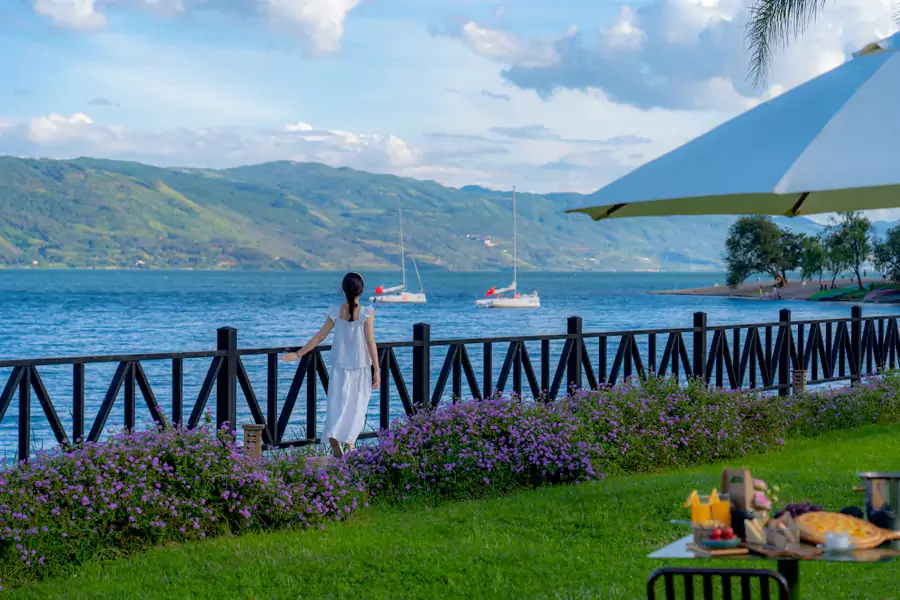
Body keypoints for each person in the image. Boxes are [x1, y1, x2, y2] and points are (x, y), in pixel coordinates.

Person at [282, 273, 379, 458]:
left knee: (337, 402)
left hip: (339, 365)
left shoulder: (336, 311)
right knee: (357, 404)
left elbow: (320, 336)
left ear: (343, 290)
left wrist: (298, 353)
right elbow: (370, 342)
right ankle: (350, 442)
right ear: (361, 290)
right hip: (360, 366)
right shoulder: (366, 312)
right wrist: (378, 369)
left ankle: (336, 436)